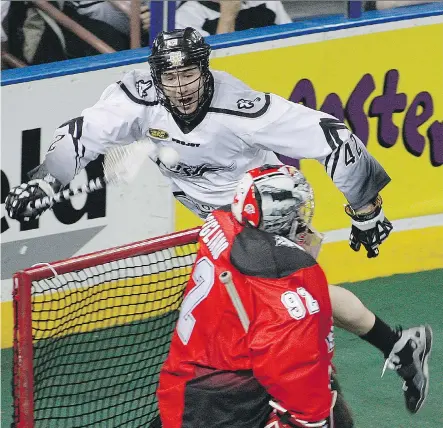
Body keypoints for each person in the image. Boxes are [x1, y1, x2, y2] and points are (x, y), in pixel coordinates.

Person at [4, 27, 431, 413]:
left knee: (281, 306)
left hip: (265, 211)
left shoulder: (242, 108)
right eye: (169, 77)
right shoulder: (137, 99)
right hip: (215, 218)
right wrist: (45, 181)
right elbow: (82, 134)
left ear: (204, 69)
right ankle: (397, 346)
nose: (180, 86)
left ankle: (310, 391)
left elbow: (332, 137)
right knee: (291, 298)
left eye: (188, 73)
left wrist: (366, 210)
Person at [156, 164, 430, 427]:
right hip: (214, 398)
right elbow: (301, 393)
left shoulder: (221, 220)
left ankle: (397, 344)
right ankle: (399, 345)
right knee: (324, 402)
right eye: (296, 212)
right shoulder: (283, 281)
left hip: (197, 370)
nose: (302, 219)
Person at [175, 1, 291, 36]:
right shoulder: (185, 16)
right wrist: (227, 16)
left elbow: (293, 41)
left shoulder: (267, 3)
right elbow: (211, 68)